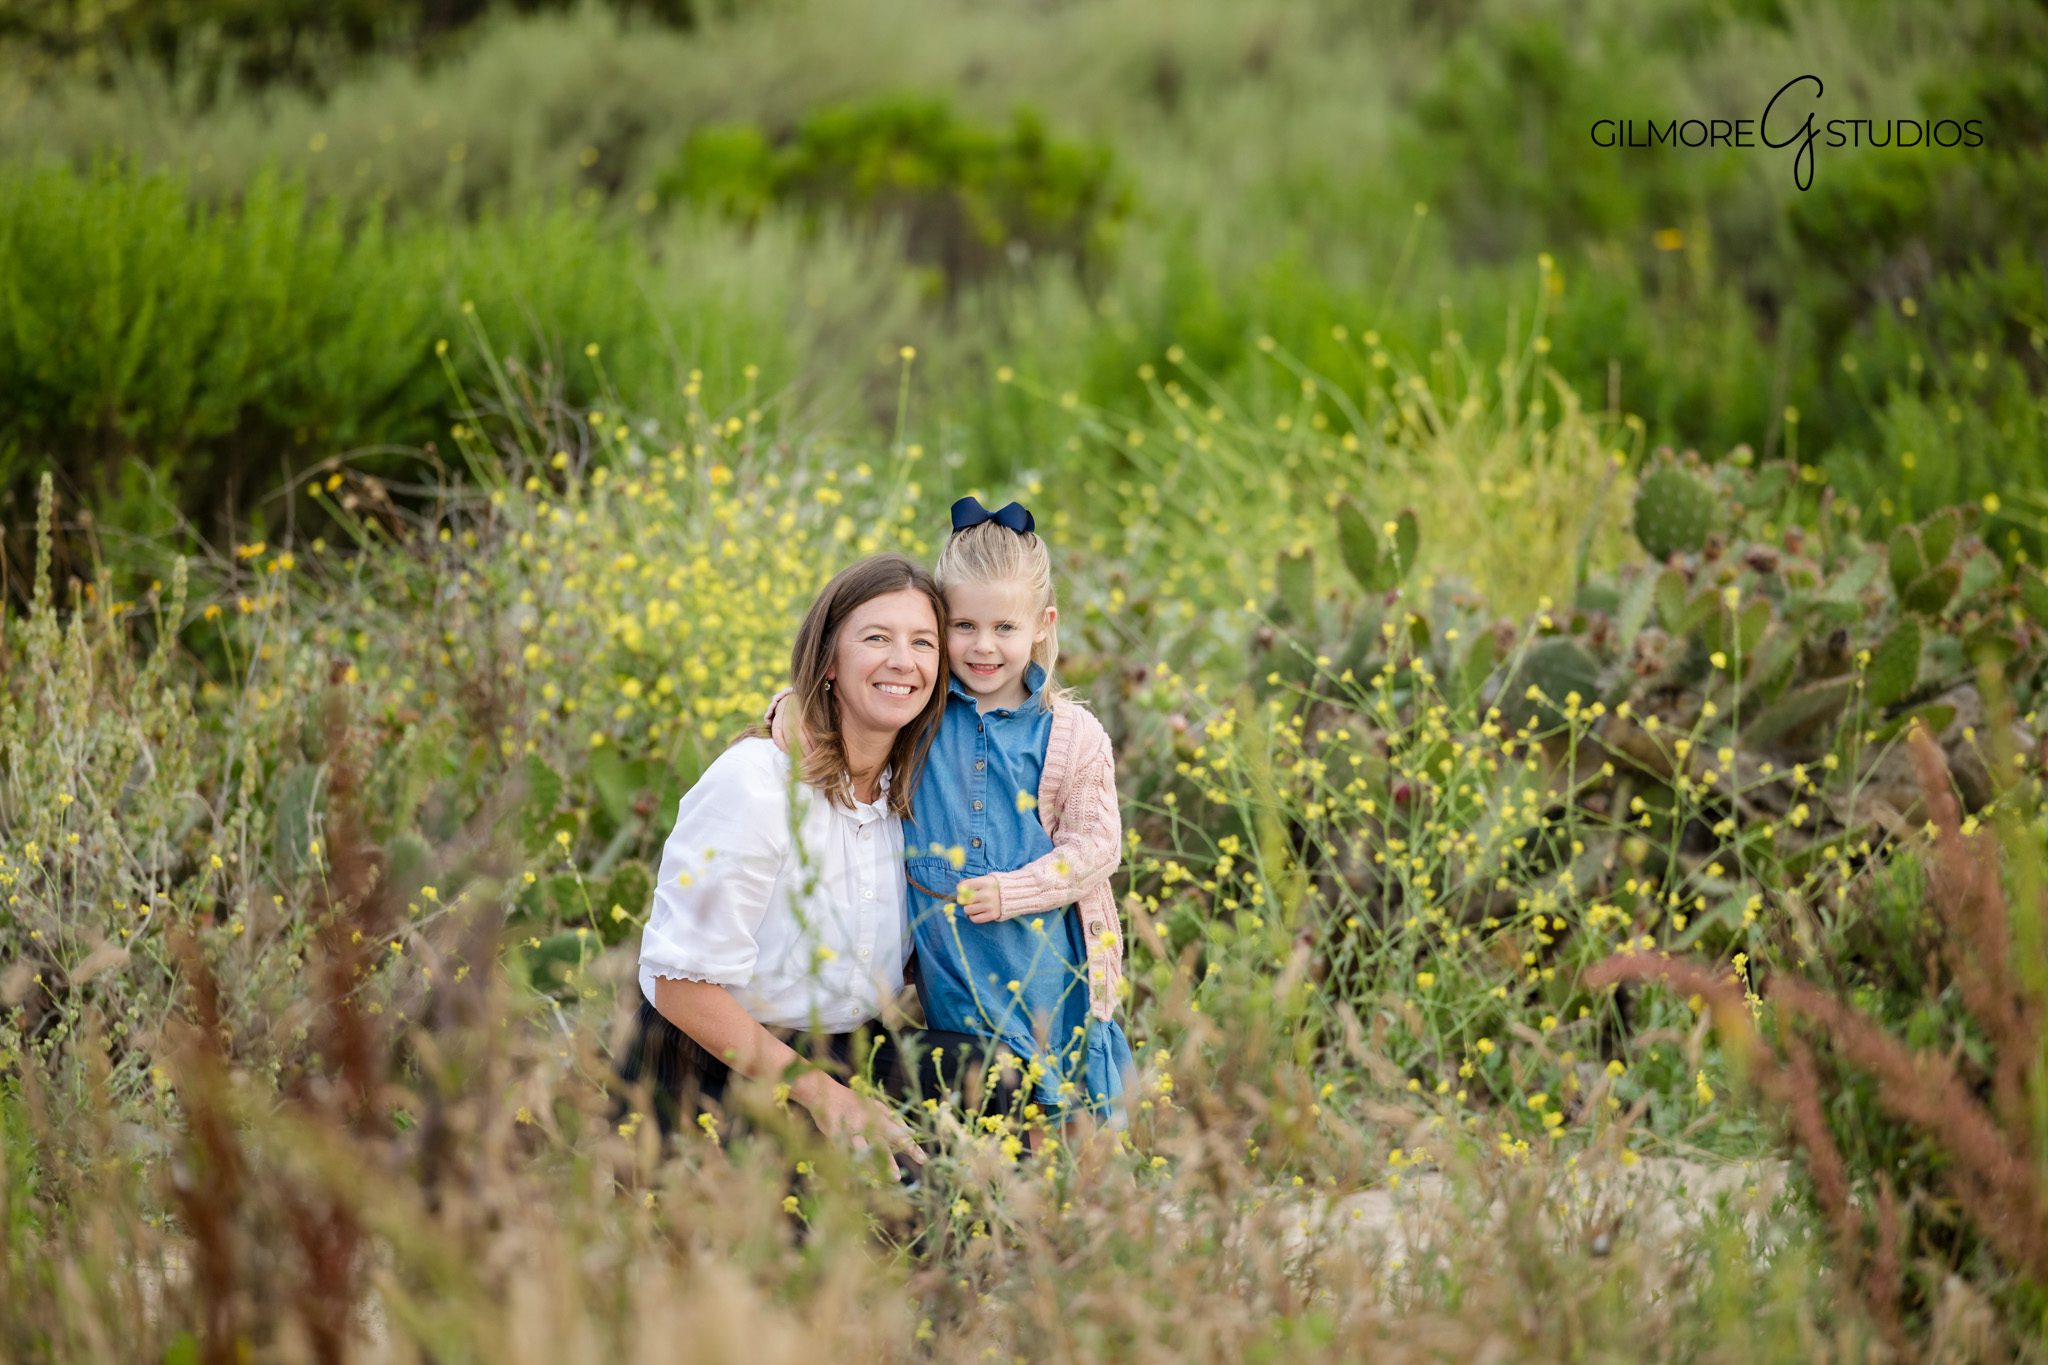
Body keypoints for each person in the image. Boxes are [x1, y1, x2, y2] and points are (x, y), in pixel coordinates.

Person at [614, 553, 1011, 1176]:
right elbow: (677, 985)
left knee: (991, 1082)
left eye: (923, 642)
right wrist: (830, 1100)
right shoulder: (754, 785)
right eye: (876, 638)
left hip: (842, 1051)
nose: (902, 660)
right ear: (827, 660)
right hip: (708, 1063)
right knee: (807, 1239)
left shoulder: (914, 794)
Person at [772, 497, 1133, 1142]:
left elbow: (1100, 843)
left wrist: (1018, 889)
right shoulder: (922, 712)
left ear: (1043, 625)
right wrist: (788, 704)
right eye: (963, 626)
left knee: (1065, 1118)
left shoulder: (1072, 736)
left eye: (1005, 629)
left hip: (1046, 970)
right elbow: (851, 699)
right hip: (955, 975)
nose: (983, 647)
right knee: (976, 1110)